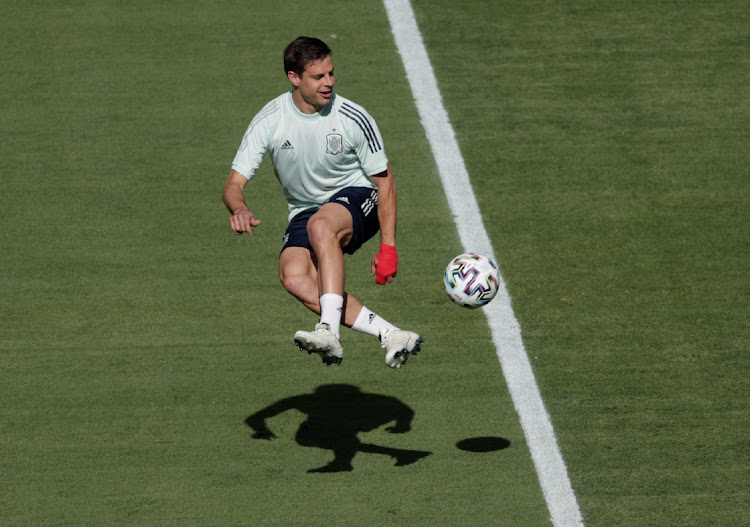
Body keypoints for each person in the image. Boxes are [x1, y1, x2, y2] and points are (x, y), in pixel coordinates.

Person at [222, 36, 423, 368]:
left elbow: (385, 183)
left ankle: (328, 330)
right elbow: (233, 185)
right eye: (318, 77)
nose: (328, 82)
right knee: (294, 276)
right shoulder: (270, 119)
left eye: (331, 73)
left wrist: (388, 248)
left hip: (360, 196)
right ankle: (392, 334)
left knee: (321, 226)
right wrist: (239, 207)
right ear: (294, 78)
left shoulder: (352, 117)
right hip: (305, 208)